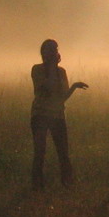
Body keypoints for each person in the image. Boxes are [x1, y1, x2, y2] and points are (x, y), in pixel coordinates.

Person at [30, 39, 88, 190]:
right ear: (44, 53)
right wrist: (51, 68)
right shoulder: (37, 70)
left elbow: (63, 97)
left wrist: (74, 86)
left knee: (63, 151)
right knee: (40, 151)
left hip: (57, 116)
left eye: (55, 49)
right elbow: (44, 89)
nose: (55, 52)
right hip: (40, 115)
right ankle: (37, 185)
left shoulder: (61, 71)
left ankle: (67, 182)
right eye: (51, 50)